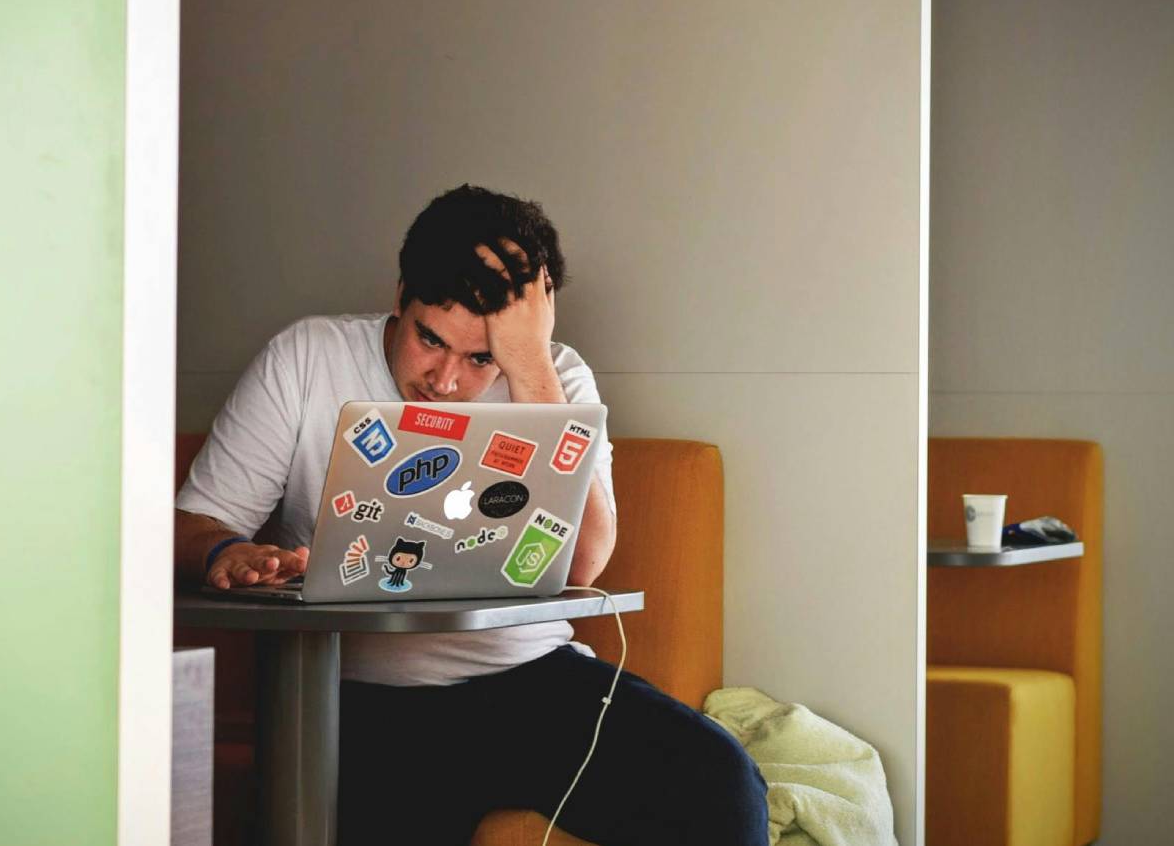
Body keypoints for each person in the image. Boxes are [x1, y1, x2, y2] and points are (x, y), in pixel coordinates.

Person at [172, 185, 768, 845]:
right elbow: (191, 524)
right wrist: (228, 552)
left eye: (480, 357)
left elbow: (585, 560)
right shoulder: (307, 357)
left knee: (724, 784)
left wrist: (530, 368)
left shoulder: (555, 377)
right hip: (356, 698)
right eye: (430, 339)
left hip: (527, 680)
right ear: (400, 295)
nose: (445, 379)